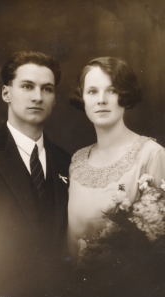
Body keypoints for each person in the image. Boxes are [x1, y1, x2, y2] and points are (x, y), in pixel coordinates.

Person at [0, 51, 71, 297]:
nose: (37, 97)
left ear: (54, 99)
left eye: (47, 89)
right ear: (6, 93)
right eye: (27, 86)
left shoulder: (68, 162)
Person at [68, 56, 165, 265]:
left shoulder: (152, 155)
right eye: (92, 91)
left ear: (125, 96)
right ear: (83, 98)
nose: (101, 99)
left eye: (111, 90)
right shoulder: (76, 161)